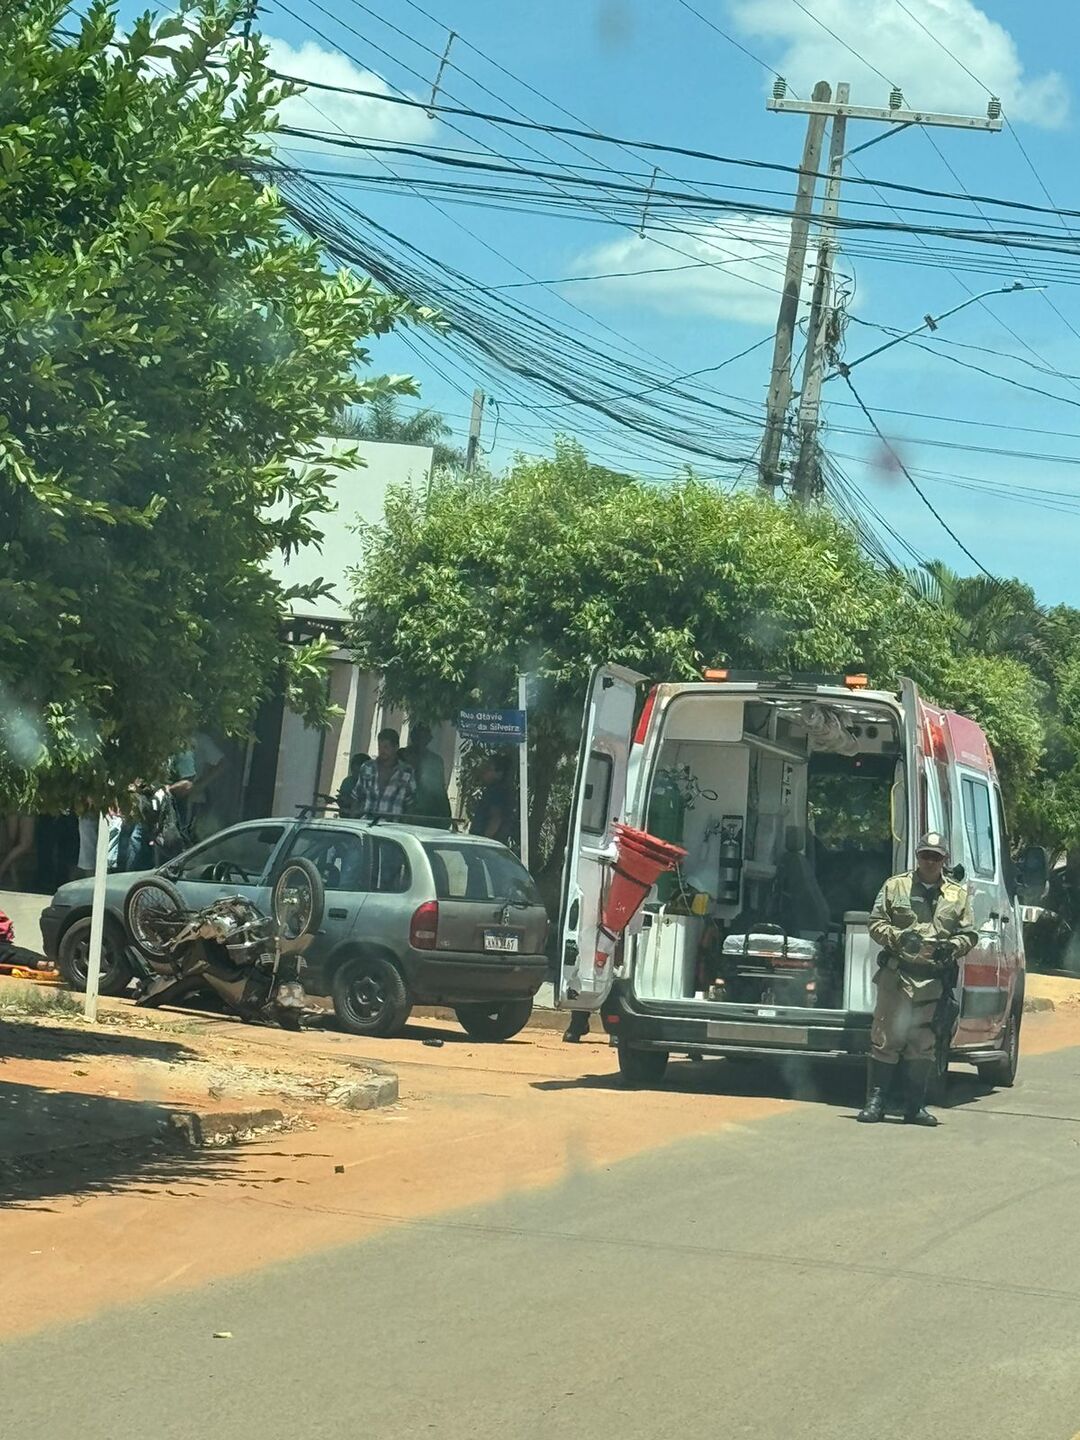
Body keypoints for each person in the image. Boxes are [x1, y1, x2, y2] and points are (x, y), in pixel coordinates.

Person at [857, 832, 978, 1127]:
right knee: (886, 1039)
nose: (929, 861)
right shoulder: (895, 886)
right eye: (925, 855)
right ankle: (876, 1104)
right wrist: (899, 938)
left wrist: (953, 946)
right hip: (897, 977)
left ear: (944, 860)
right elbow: (875, 923)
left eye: (935, 857)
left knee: (922, 1044)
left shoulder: (958, 895)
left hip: (933, 982)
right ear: (917, 856)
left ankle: (914, 1107)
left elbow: (970, 933)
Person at [353, 728, 417, 819]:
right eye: (380, 747)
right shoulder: (367, 767)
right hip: (366, 824)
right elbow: (356, 797)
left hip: (392, 828)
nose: (383, 751)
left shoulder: (407, 772)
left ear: (396, 747)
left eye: (387, 747)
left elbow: (410, 804)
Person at [406, 723, 451, 828]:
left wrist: (446, 815)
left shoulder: (435, 760)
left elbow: (440, 788)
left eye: (424, 737)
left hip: (429, 812)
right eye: (419, 737)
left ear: (429, 739)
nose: (421, 741)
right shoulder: (402, 756)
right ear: (413, 737)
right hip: (403, 812)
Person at [470, 753, 517, 846]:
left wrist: (483, 842)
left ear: (499, 773)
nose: (484, 771)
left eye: (488, 768)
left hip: (486, 843)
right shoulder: (496, 789)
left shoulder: (497, 791)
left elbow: (495, 819)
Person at [336, 753, 370, 817]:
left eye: (357, 772)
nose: (355, 774)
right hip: (345, 817)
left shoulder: (372, 784)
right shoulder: (347, 782)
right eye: (353, 771)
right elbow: (342, 801)